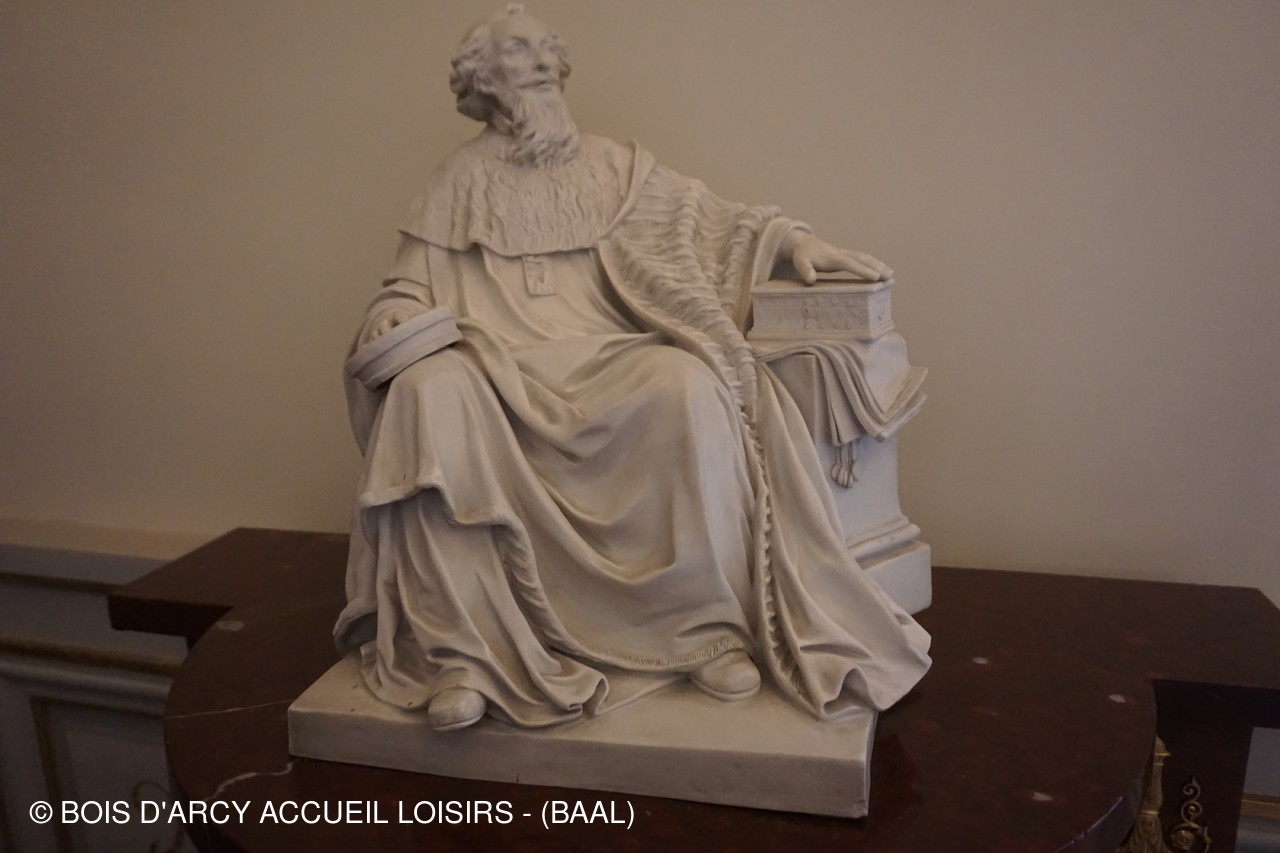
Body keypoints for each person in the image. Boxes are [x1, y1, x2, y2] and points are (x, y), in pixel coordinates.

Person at [335, 5, 930, 732]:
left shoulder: (615, 167)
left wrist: (793, 243)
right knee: (426, 392)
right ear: (482, 78)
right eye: (519, 50)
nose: (543, 62)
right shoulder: (453, 183)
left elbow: (712, 221)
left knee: (685, 387)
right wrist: (394, 315)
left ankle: (701, 631)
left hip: (609, 357)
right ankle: (465, 656)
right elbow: (406, 289)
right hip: (495, 370)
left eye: (548, 50)